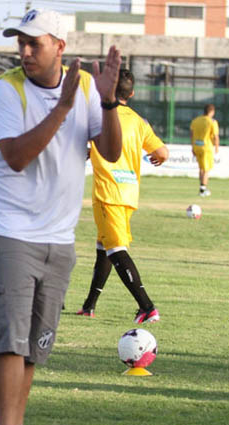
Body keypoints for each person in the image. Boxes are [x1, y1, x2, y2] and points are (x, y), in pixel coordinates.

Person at [0, 9, 122, 425]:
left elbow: (110, 152)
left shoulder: (88, 89)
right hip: (9, 228)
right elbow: (18, 157)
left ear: (60, 47)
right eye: (19, 42)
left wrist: (109, 101)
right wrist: (62, 107)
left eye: (33, 43)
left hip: (59, 235)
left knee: (36, 344)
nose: (24, 51)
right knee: (9, 334)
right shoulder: (7, 90)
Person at [76, 68, 169, 324]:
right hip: (129, 192)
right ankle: (89, 306)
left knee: (116, 250)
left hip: (108, 192)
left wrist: (87, 151)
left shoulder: (100, 115)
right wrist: (155, 158)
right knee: (103, 247)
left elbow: (77, 140)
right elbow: (162, 152)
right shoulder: (139, 121)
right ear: (133, 93)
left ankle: (147, 307)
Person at [190, 103, 219, 197]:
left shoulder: (196, 120)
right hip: (206, 147)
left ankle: (202, 188)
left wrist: (192, 146)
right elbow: (215, 136)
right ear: (212, 111)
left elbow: (192, 134)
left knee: (201, 169)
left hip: (196, 146)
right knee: (206, 169)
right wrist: (217, 148)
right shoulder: (212, 122)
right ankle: (203, 190)